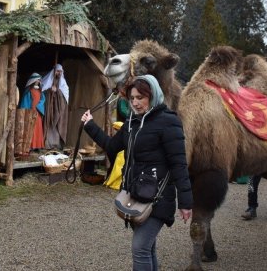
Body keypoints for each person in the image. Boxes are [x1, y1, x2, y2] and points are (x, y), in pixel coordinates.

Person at [81, 75, 193, 270]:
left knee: (140, 248)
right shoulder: (132, 121)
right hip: (136, 194)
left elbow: (179, 164)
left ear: (153, 95)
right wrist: (90, 125)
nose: (135, 102)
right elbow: (111, 146)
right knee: (147, 249)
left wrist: (185, 202)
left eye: (141, 97)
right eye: (132, 98)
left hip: (158, 197)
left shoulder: (169, 121)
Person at [16, 73, 45, 155]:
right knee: (30, 129)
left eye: (39, 80)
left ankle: (37, 145)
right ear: (34, 80)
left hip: (37, 113)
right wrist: (28, 111)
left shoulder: (40, 91)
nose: (39, 81)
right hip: (31, 113)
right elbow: (25, 102)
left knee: (38, 129)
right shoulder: (29, 91)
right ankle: (30, 145)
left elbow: (42, 100)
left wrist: (39, 106)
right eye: (38, 79)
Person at [41, 64, 69, 150]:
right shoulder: (48, 81)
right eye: (57, 71)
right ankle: (47, 144)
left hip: (58, 108)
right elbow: (42, 91)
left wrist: (57, 91)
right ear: (54, 71)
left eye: (60, 71)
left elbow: (65, 97)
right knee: (49, 125)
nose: (59, 73)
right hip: (49, 107)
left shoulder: (63, 84)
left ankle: (56, 145)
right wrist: (50, 90)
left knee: (57, 127)